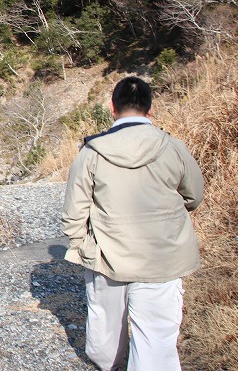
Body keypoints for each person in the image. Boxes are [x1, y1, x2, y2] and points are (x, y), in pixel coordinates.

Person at [62, 76, 204, 371]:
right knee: (155, 341)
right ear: (150, 110)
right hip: (162, 255)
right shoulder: (172, 147)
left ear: (113, 108)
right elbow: (194, 195)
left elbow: (74, 212)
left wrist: (81, 245)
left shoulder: (92, 152)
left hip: (108, 256)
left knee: (104, 342)